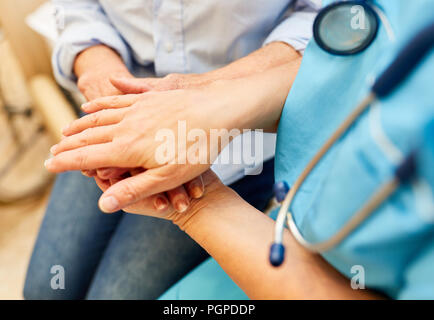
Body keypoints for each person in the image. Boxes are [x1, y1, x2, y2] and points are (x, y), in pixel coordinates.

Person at [46, 0, 434, 299]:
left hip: (243, 150)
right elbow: (349, 33)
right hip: (134, 111)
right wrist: (105, 73)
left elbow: (319, 21)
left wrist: (201, 198)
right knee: (46, 287)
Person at [24, 0, 321, 299]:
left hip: (239, 144)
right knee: (44, 289)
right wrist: (99, 67)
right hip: (118, 117)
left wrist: (206, 93)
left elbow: (332, 20)